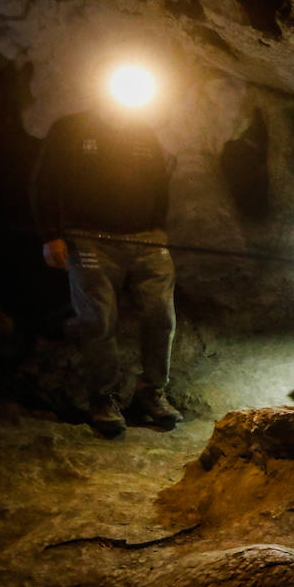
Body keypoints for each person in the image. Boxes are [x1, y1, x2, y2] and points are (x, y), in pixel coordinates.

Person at [30, 93, 181, 438]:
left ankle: (152, 392)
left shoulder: (142, 130)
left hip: (145, 240)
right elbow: (43, 182)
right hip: (88, 237)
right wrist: (50, 235)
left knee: (161, 316)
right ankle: (103, 398)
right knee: (98, 318)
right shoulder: (70, 129)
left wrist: (158, 226)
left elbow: (160, 182)